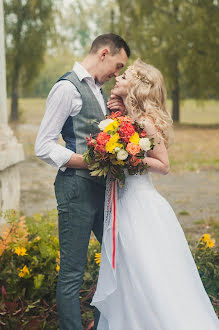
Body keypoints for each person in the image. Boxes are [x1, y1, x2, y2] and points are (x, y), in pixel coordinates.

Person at [91, 59, 219, 329]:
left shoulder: (147, 123)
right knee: (129, 270)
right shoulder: (125, 119)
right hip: (123, 202)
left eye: (124, 76)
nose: (118, 79)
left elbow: (164, 165)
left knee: (147, 270)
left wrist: (128, 154)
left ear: (136, 85)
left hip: (141, 206)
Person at [35, 33, 130, 330]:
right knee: (72, 273)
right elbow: (43, 146)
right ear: (103, 53)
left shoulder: (100, 92)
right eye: (117, 65)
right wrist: (90, 160)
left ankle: (103, 325)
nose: (117, 74)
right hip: (75, 188)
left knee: (116, 263)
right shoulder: (66, 88)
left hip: (100, 190)